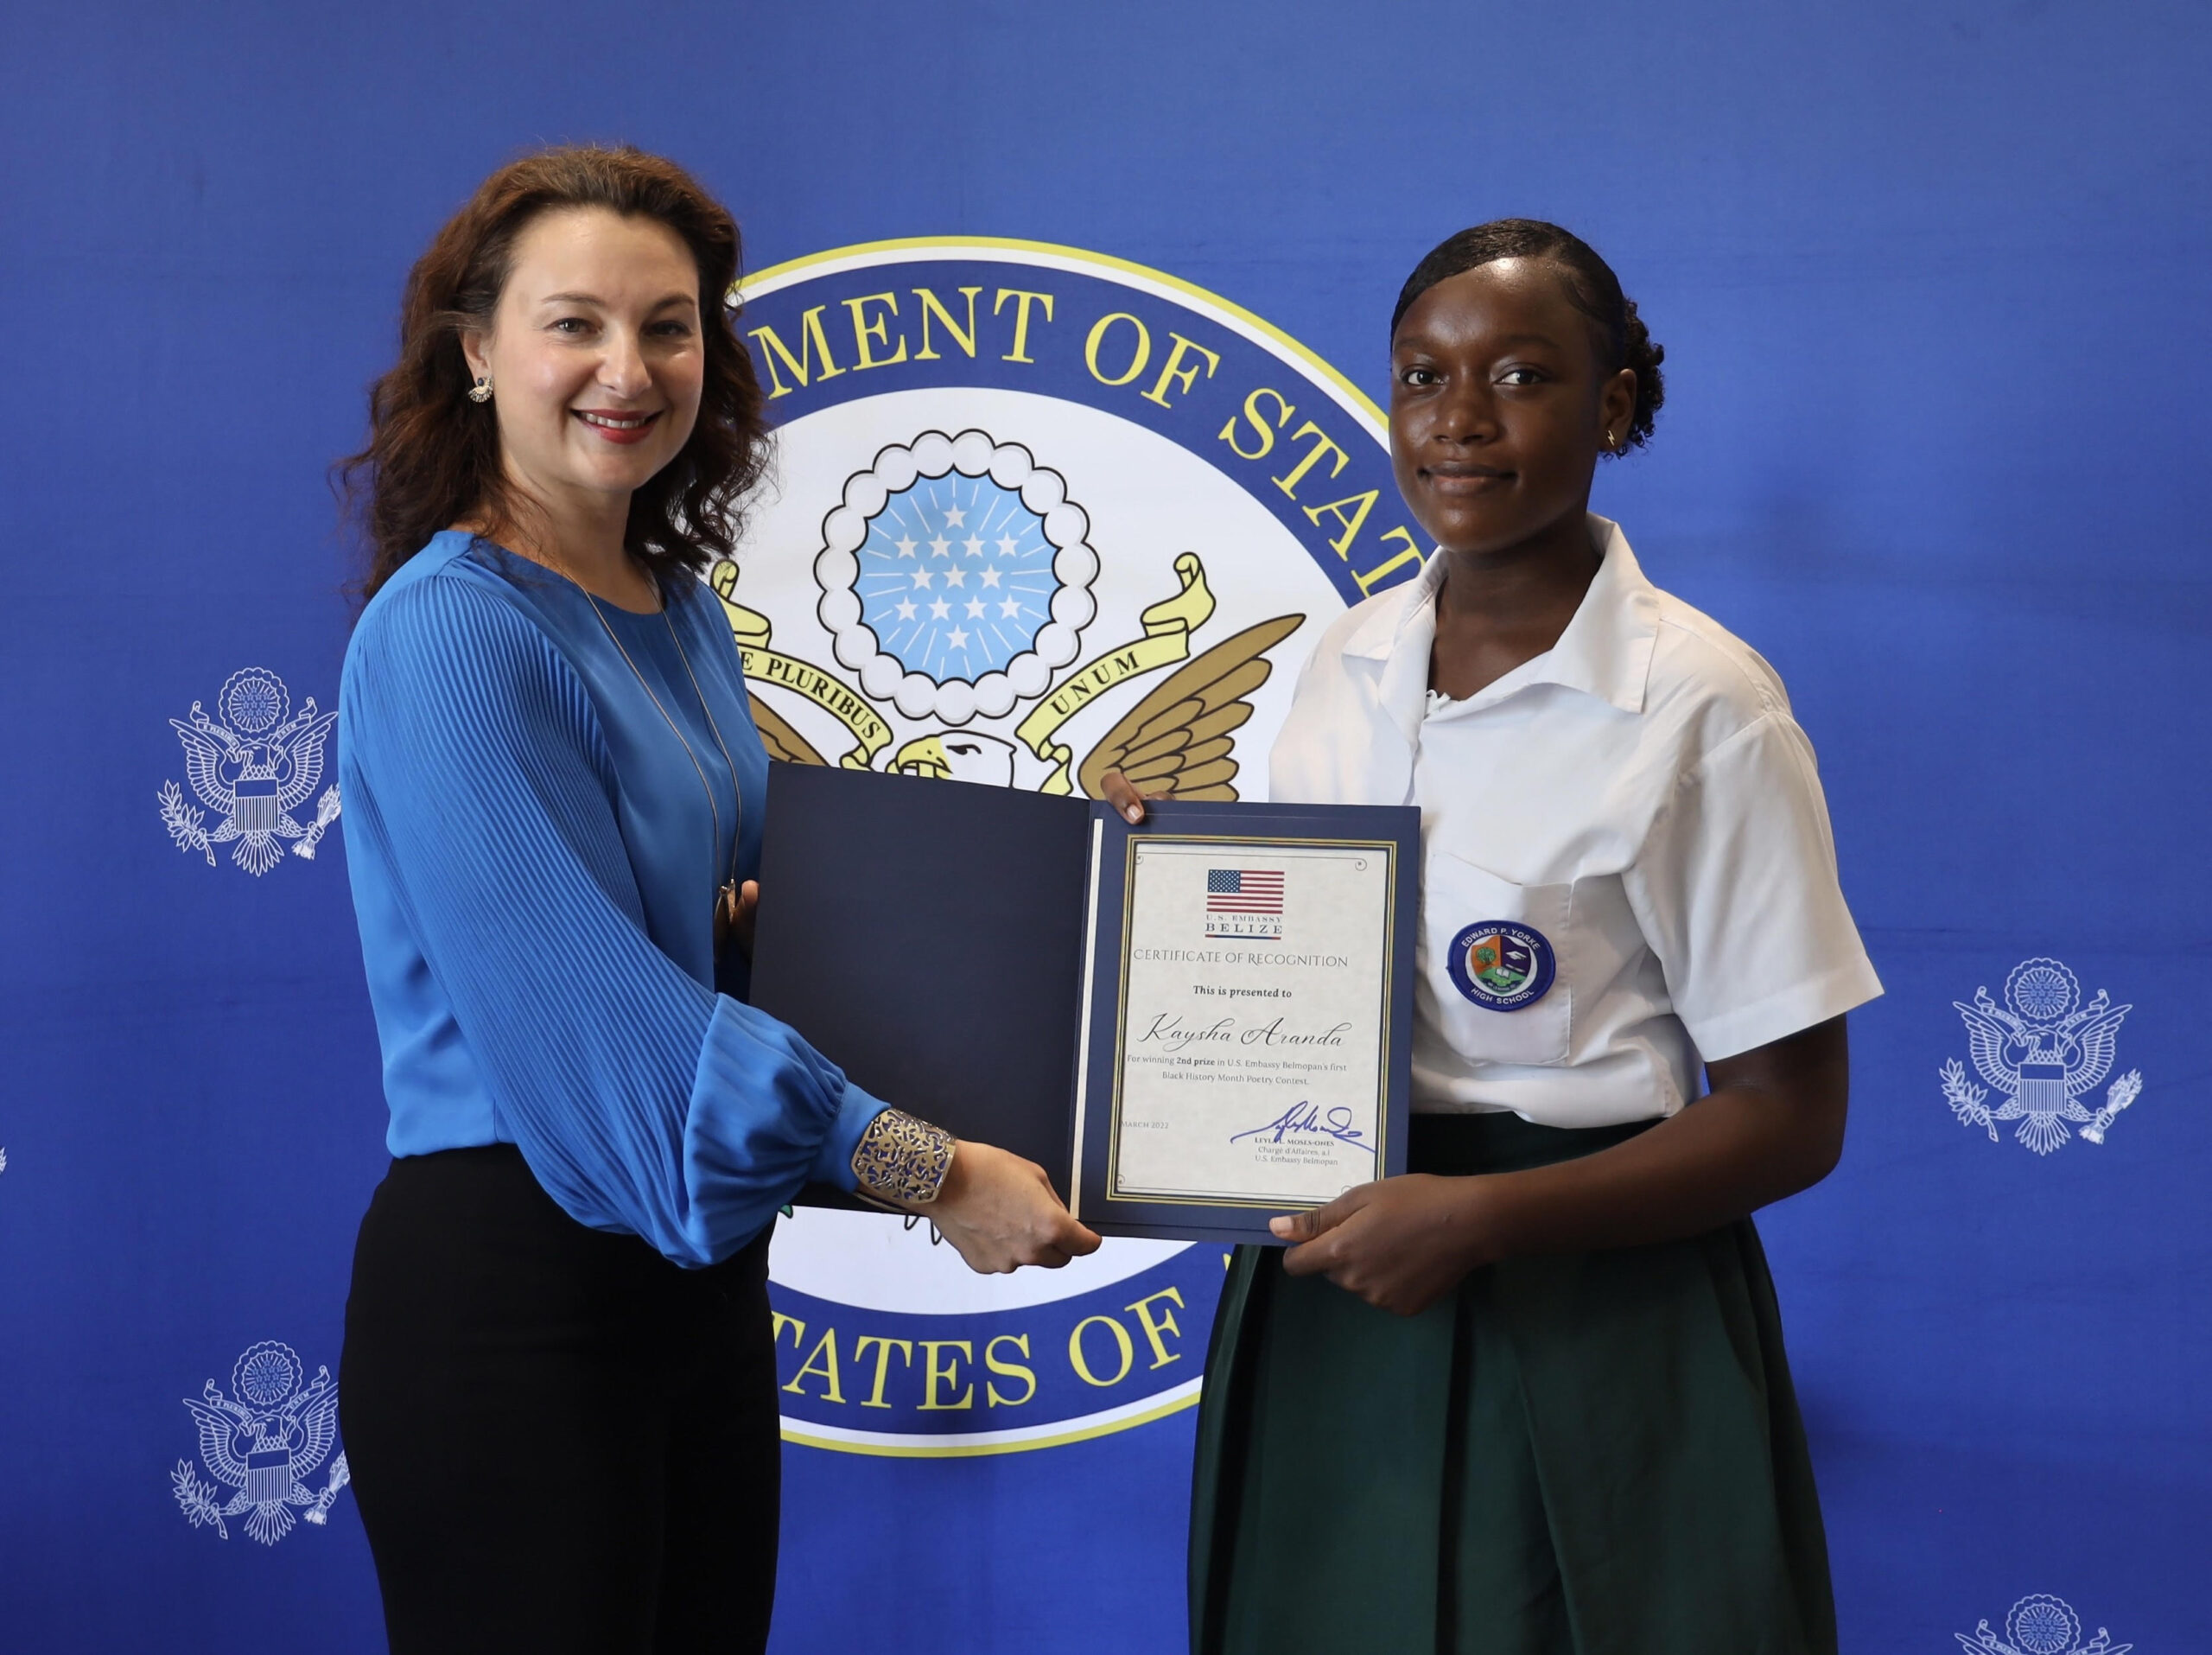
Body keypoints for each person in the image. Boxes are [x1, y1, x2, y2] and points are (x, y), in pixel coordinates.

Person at [334, 146, 1097, 1655]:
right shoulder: (450, 635)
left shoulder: (679, 616)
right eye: (575, 324)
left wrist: (1105, 885)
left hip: (696, 1298)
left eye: (668, 326)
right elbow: (605, 1030)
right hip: (516, 1299)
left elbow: (742, 945)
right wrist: (933, 1169)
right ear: (476, 352)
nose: (628, 370)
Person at [1105, 220, 1880, 1654]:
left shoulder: (1704, 706)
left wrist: (1485, 1221)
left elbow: (1791, 1116)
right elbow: (1284, 968)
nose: (1458, 420)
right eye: (1422, 377)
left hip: (1591, 1294)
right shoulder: (1341, 660)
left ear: (1615, 407)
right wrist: (1151, 888)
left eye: (1519, 376)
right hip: (1334, 1270)